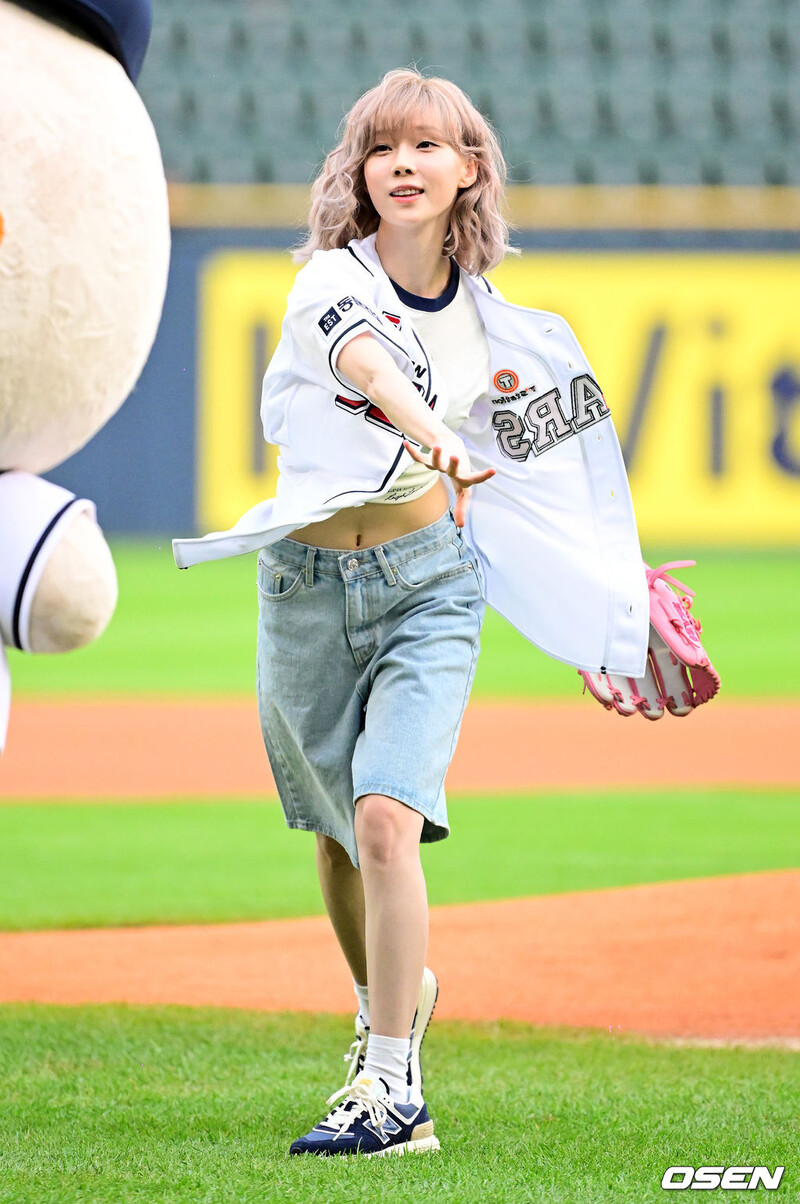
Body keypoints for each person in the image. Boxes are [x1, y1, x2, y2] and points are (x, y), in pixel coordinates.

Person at [172, 67, 649, 1157]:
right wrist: (429, 427)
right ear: (359, 171)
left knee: (386, 817)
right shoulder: (321, 283)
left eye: (427, 145)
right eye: (382, 146)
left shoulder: (514, 337)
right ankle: (390, 997)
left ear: (468, 170)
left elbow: (564, 481)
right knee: (338, 840)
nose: (403, 162)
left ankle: (392, 1090)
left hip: (426, 582)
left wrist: (604, 615)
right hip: (301, 586)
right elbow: (367, 361)